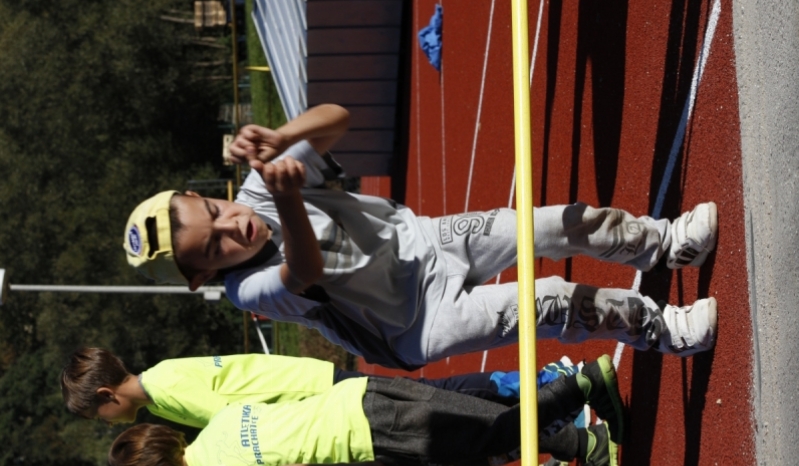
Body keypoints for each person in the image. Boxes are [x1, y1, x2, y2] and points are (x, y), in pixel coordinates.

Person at [123, 104, 718, 370]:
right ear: (204, 275)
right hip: (418, 323)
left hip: (426, 242)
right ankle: (666, 331)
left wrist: (283, 137)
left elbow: (337, 118)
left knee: (554, 222)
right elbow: (303, 271)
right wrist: (286, 200)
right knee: (553, 301)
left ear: (206, 192)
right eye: (215, 247)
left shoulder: (259, 186)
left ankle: (665, 243)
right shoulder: (246, 289)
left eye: (215, 210)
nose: (232, 226)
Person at [107, 355, 625, 466]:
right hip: (356, 399)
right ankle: (585, 442)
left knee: (485, 436)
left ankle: (582, 385)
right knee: (477, 430)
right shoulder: (216, 427)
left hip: (366, 434)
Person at [60, 347, 525, 428]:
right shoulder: (160, 393)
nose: (104, 423)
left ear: (106, 396)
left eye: (96, 416)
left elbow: (236, 425)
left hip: (312, 395)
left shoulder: (166, 388)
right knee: (425, 400)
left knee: (428, 400)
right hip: (310, 392)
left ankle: (528, 387)